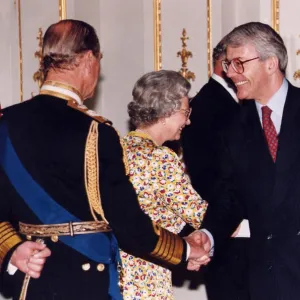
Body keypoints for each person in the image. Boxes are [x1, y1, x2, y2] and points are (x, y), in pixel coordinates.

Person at [0, 20, 208, 300]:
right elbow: (130, 226)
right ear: (88, 59)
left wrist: (13, 249)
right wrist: (185, 252)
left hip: (32, 279)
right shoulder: (96, 132)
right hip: (86, 283)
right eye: (98, 60)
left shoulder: (6, 124)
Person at [196, 22, 300, 300]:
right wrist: (209, 234)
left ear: (271, 63)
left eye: (239, 63)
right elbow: (229, 197)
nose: (230, 73)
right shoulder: (231, 127)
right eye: (228, 64)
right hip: (265, 277)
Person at [120, 70, 208, 299]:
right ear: (167, 112)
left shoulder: (118, 148)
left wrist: (187, 250)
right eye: (185, 112)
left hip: (117, 274)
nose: (188, 121)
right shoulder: (160, 158)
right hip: (146, 278)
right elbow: (200, 214)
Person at [181, 40, 250, 300]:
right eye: (238, 63)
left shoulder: (234, 103)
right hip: (229, 233)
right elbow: (206, 177)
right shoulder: (208, 105)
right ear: (225, 64)